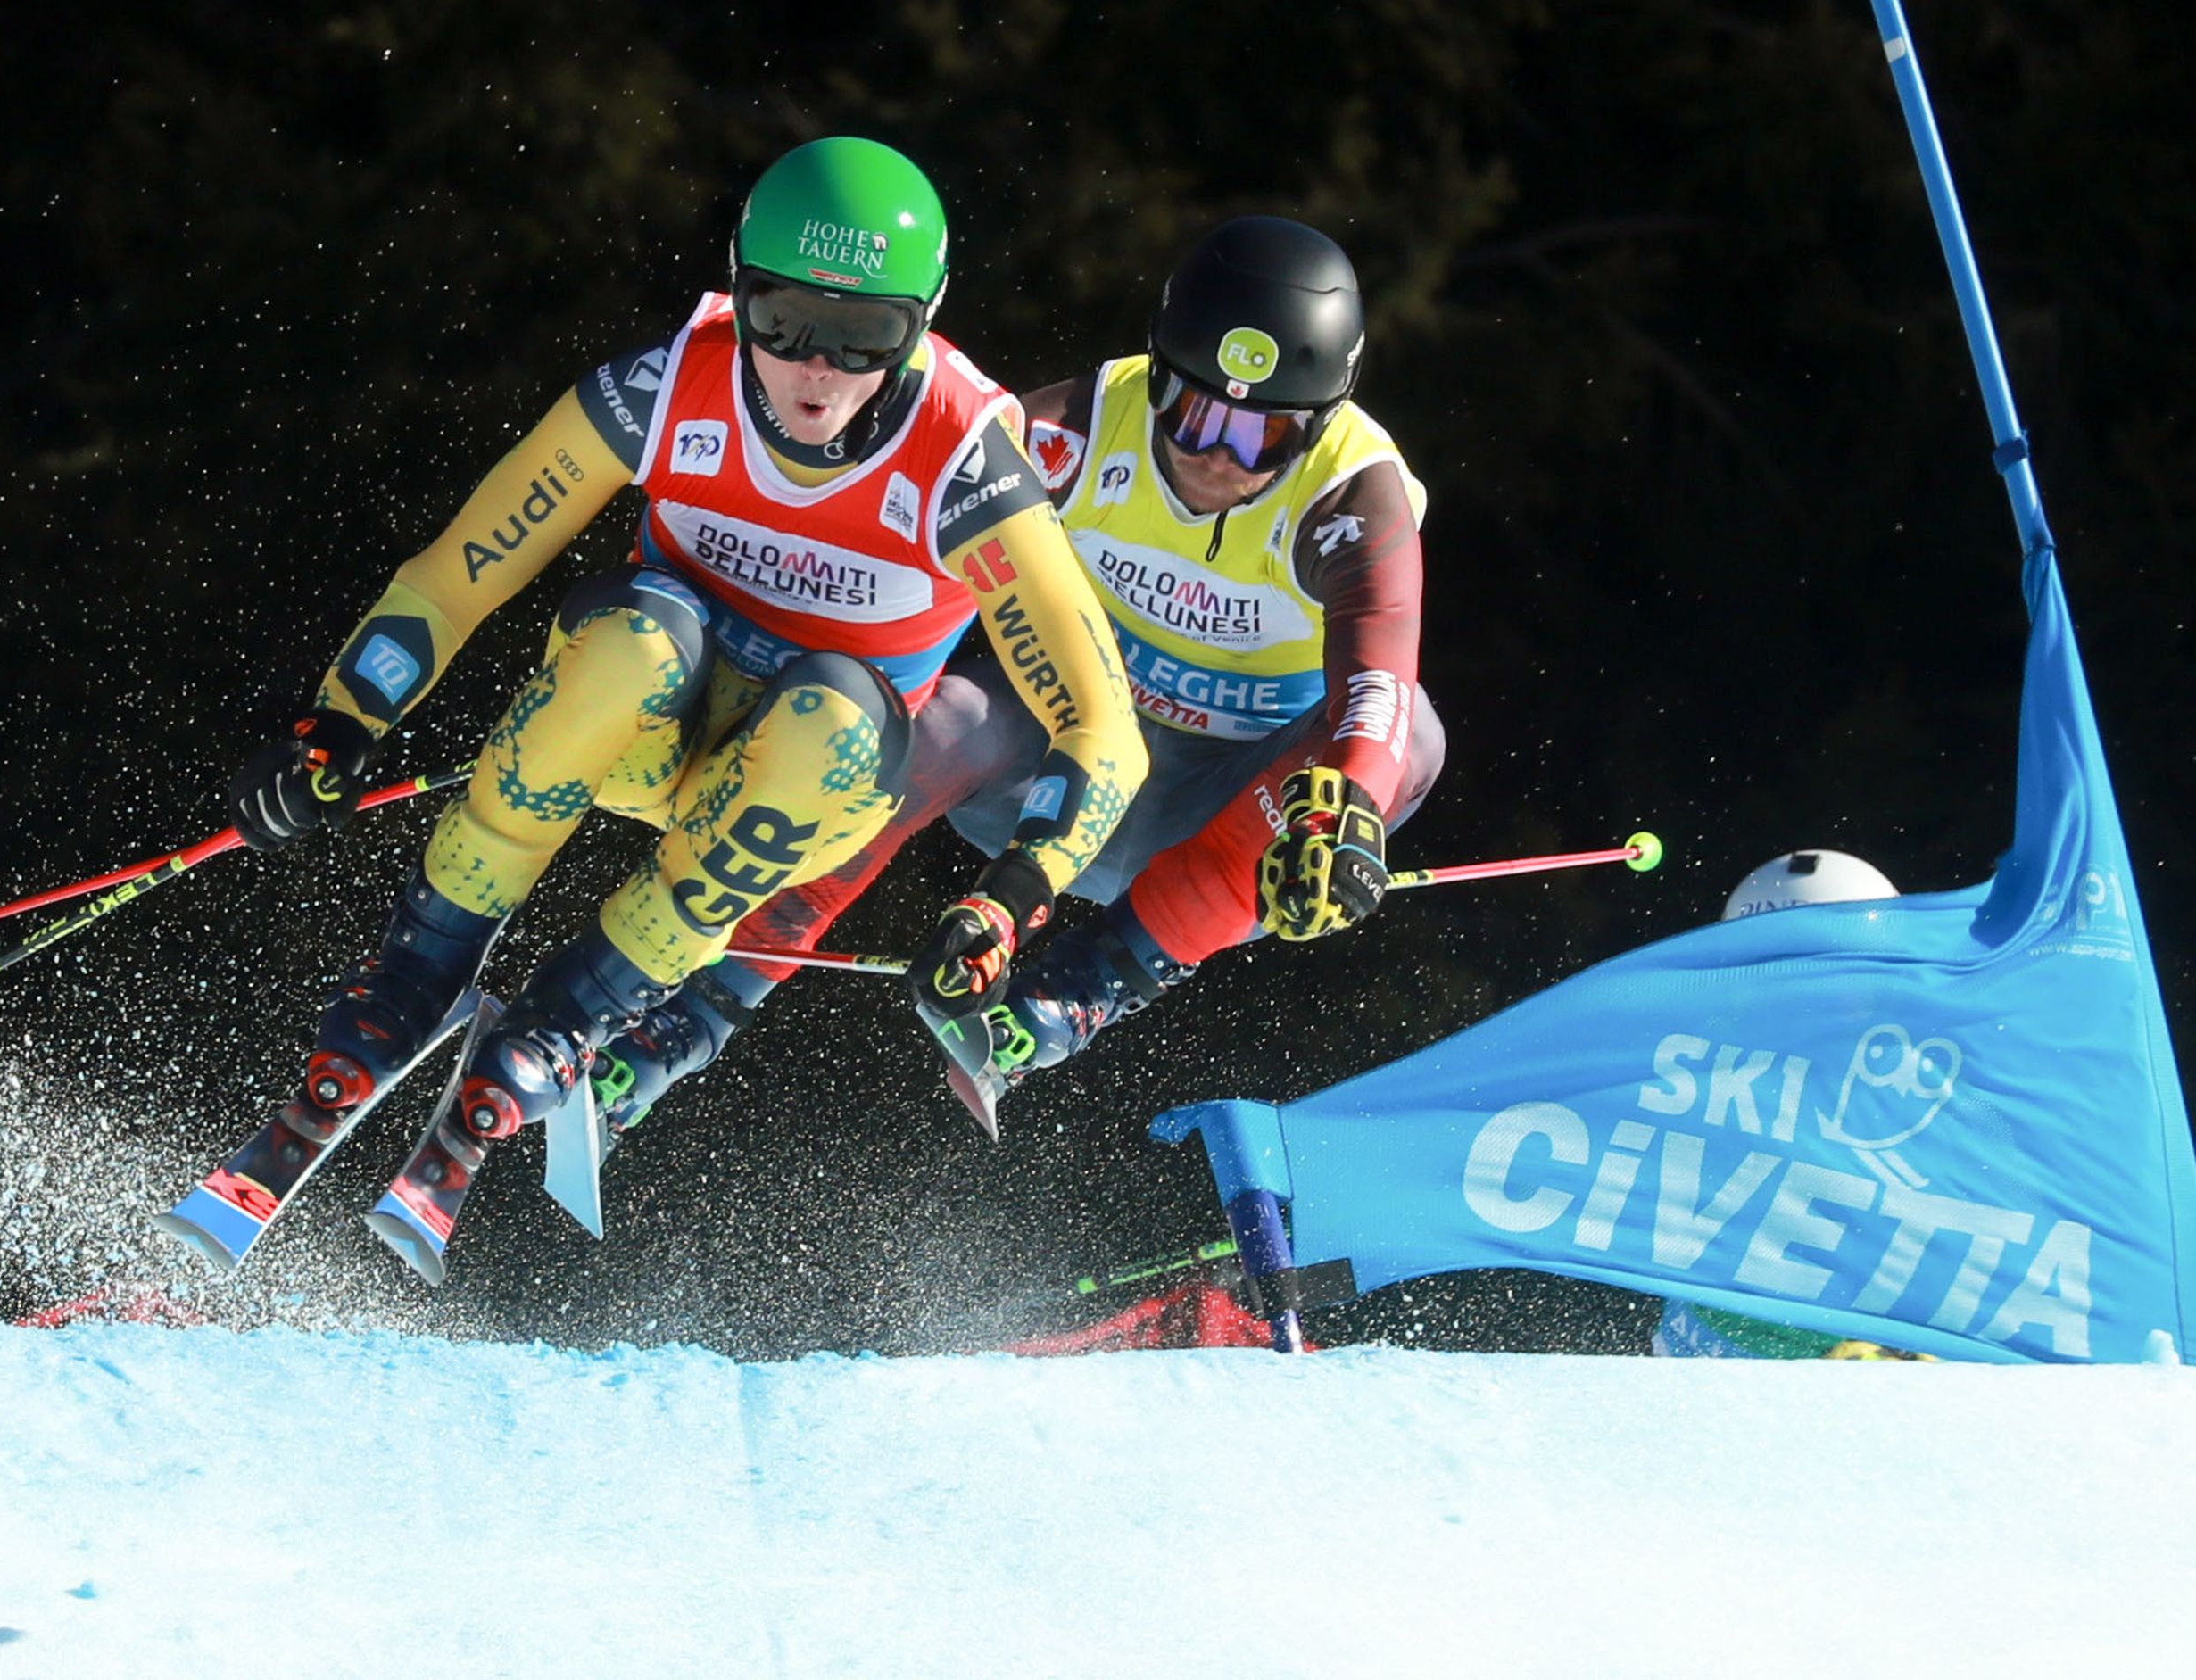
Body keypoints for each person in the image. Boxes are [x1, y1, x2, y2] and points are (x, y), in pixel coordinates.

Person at [224, 137, 1146, 1281]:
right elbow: (459, 569)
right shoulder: (666, 388)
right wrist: (338, 721)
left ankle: (566, 1021)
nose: (818, 369)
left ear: (924, 323)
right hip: (640, 731)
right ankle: (417, 969)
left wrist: (1016, 898)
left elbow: (1105, 730)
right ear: (737, 288)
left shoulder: (963, 463)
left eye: (866, 336)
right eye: (782, 319)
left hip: (797, 788)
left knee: (834, 715)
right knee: (632, 635)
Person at [598, 215, 1445, 1127]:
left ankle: (1073, 995)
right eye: (1195, 412)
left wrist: (1346, 806)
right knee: (941, 717)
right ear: (1154, 372)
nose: (1215, 457)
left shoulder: (1352, 494)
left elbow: (1380, 686)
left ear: (1315, 428)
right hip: (1062, 763)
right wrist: (758, 669)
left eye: (1260, 440)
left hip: (1223, 805)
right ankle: (688, 1015)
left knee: (1415, 742)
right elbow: (881, 535)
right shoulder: (1074, 431)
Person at [1652, 849, 1932, 1360]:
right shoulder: (1704, 1072)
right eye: (1771, 964)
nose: (1798, 989)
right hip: (1735, 1365)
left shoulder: (1917, 1077)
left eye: (1828, 966)